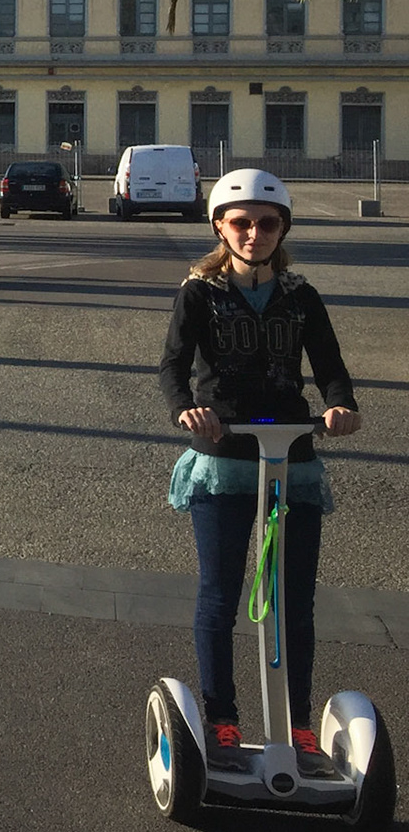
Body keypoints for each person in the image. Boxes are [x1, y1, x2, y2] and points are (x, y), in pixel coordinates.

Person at [159, 169, 362, 778]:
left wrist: (340, 406)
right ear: (220, 226)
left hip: (292, 458)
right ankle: (222, 717)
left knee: (295, 603)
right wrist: (186, 411)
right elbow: (171, 367)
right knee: (221, 596)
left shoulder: (301, 295)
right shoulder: (198, 291)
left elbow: (331, 368)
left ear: (283, 228)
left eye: (266, 223)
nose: (254, 233)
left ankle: (298, 724)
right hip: (223, 458)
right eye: (241, 222)